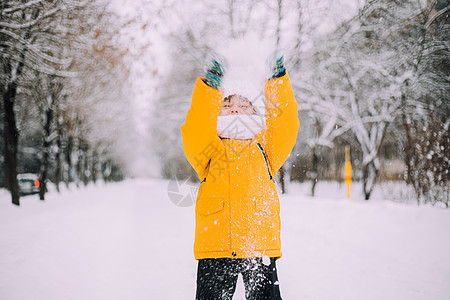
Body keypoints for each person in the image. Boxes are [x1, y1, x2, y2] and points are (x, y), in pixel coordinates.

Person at [181, 53, 299, 300]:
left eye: (244, 105)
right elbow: (196, 128)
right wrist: (210, 86)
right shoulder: (209, 150)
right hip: (215, 247)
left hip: (258, 244)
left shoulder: (266, 148)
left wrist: (277, 79)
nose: (234, 107)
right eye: (226, 104)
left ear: (255, 113)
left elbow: (285, 122)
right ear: (216, 111)